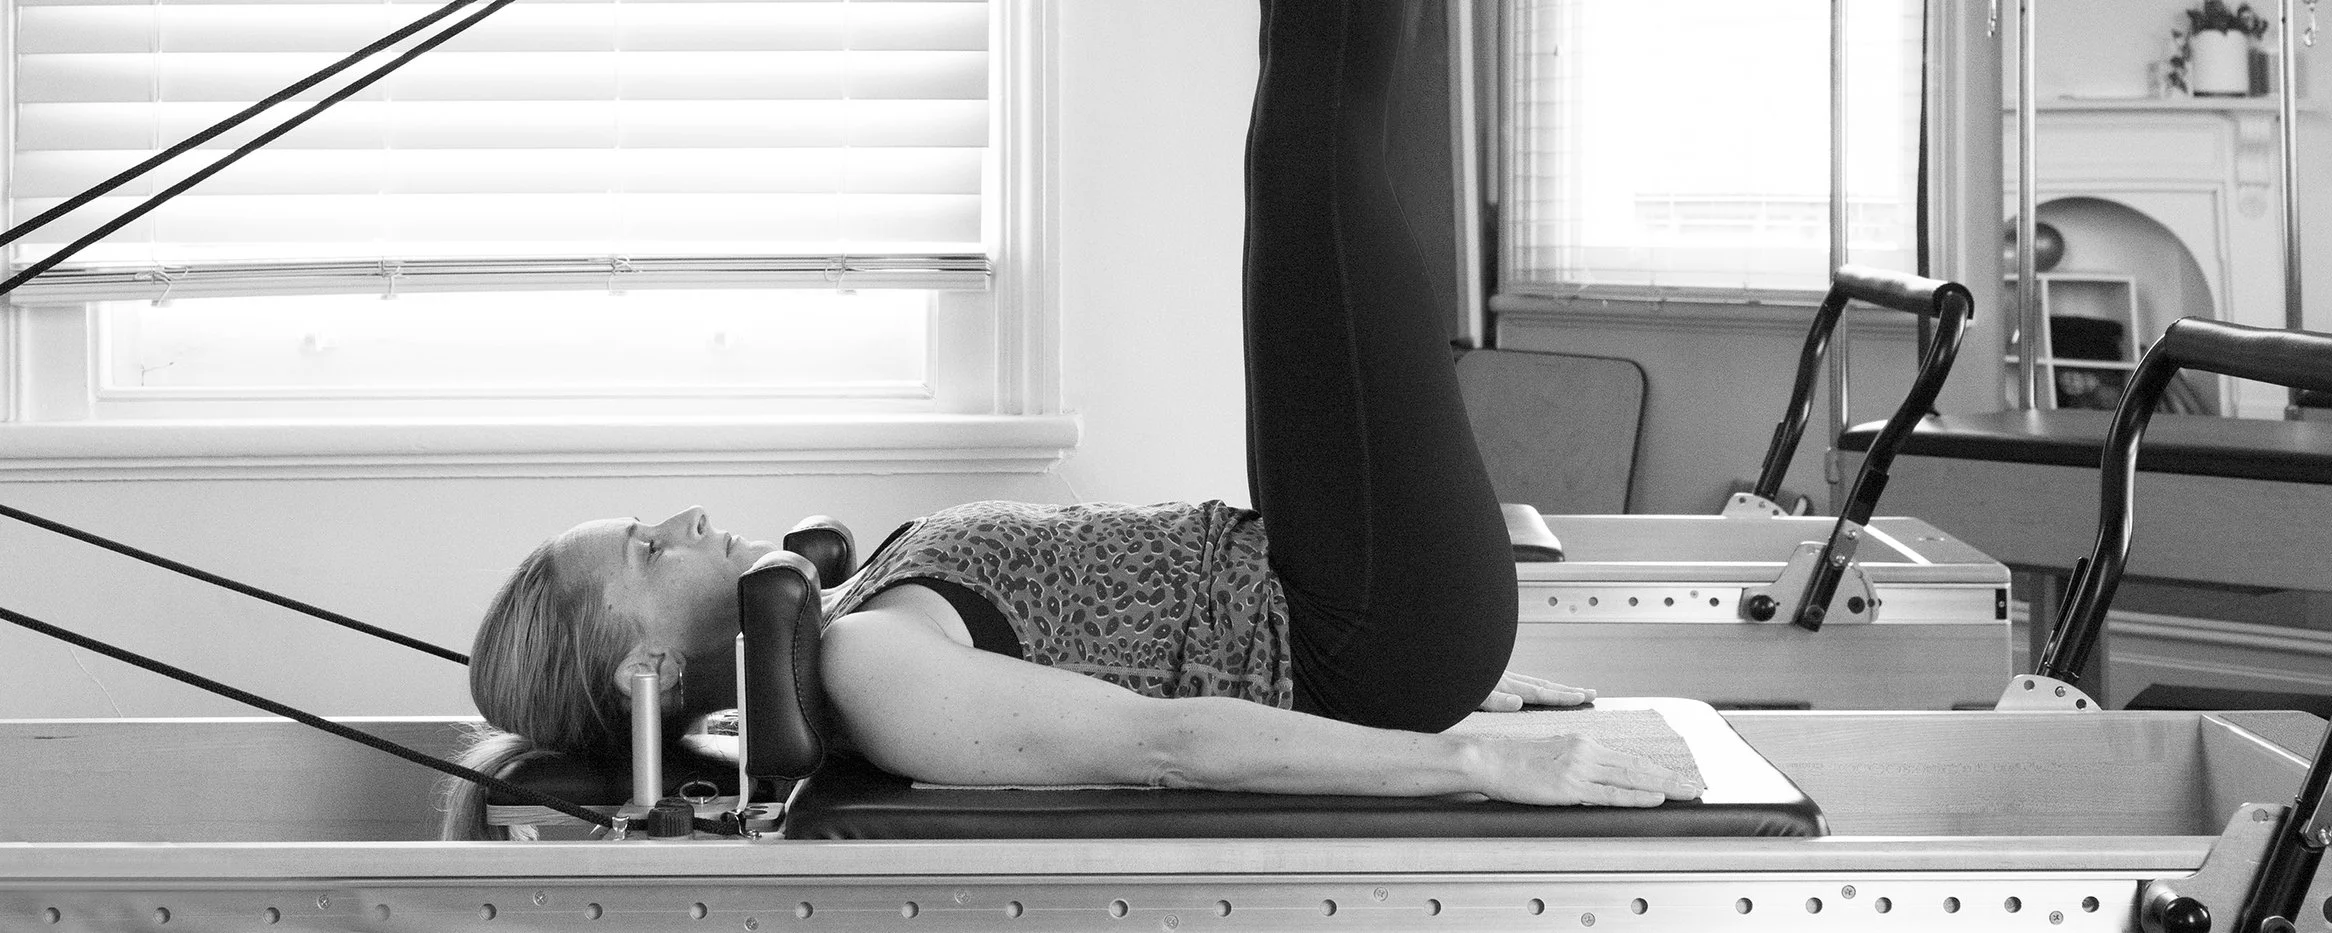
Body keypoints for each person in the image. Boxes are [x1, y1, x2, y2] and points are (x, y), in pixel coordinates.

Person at [440, 0, 1693, 840]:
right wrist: (1466, 757)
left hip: (1355, 606)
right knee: (1310, 143)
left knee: (1311, 127)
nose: (683, 518)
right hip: (1358, 617)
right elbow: (1167, 742)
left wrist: (1451, 683)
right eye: (646, 553)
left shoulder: (855, 619)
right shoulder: (866, 666)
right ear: (646, 669)